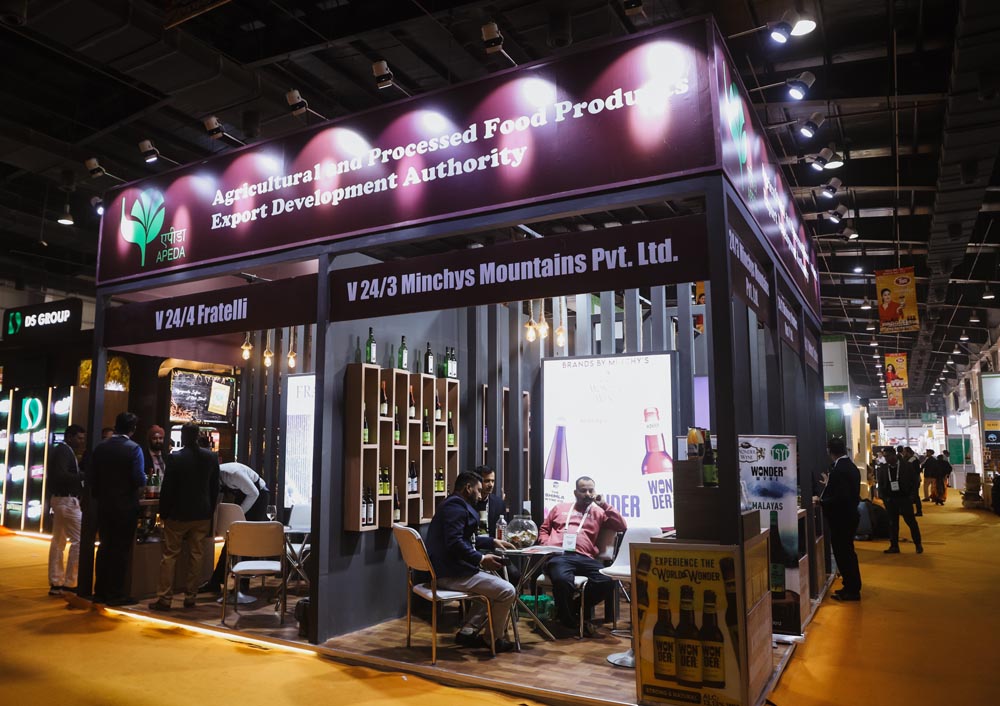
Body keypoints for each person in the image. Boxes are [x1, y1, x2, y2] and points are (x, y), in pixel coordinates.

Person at [425, 470, 516, 653]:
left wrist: (492, 541)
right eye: (478, 490)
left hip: (446, 570)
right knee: (507, 591)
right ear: (468, 488)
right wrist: (481, 558)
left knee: (492, 587)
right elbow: (455, 543)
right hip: (451, 574)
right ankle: (493, 639)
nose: (481, 495)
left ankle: (467, 632)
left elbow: (463, 539)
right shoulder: (456, 508)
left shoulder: (451, 504)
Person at [537, 476, 627, 635]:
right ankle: (569, 621)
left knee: (607, 580)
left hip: (585, 557)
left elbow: (621, 525)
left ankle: (572, 608)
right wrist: (546, 545)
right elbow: (544, 529)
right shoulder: (559, 508)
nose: (588, 494)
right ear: (575, 492)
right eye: (583, 490)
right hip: (559, 556)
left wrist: (604, 504)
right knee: (563, 580)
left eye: (591, 490)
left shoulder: (599, 511)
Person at [149, 423, 220, 611]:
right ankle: (191, 596)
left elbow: (168, 488)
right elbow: (215, 487)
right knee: (197, 554)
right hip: (202, 513)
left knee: (170, 555)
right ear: (197, 436)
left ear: (183, 436)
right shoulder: (210, 457)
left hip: (178, 514)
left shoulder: (176, 458)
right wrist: (210, 510)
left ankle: (165, 598)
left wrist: (163, 512)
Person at [91, 412, 146, 605]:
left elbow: (93, 476)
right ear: (133, 429)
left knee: (104, 547)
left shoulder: (101, 447)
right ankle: (115, 594)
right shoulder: (134, 449)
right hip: (125, 505)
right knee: (120, 550)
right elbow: (139, 478)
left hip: (104, 504)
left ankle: (99, 591)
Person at [200, 461, 269, 594]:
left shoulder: (233, 474)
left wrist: (239, 513)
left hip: (259, 497)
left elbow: (254, 493)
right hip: (244, 495)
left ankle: (243, 584)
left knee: (247, 540)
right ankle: (215, 582)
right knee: (231, 538)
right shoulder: (216, 477)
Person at [820, 437, 862, 601]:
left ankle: (852, 589)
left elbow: (840, 497)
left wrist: (822, 501)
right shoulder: (849, 467)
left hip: (842, 519)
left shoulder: (840, 469)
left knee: (844, 554)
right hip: (848, 517)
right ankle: (850, 586)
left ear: (830, 451)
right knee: (847, 552)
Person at [76, 427, 115, 598]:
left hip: (105, 504)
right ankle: (84, 584)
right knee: (86, 543)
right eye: (105, 438)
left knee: (103, 545)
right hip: (93, 503)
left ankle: (99, 586)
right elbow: (85, 476)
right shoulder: (93, 454)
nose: (107, 442)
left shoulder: (113, 456)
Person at [47, 424, 86, 596]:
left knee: (58, 541)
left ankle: (56, 582)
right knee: (79, 541)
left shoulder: (62, 450)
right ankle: (71, 583)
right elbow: (61, 475)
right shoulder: (64, 451)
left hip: (60, 500)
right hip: (67, 500)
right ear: (69, 437)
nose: (81, 441)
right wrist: (83, 476)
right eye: (79, 438)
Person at [877, 447, 923, 554]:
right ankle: (894, 546)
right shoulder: (883, 468)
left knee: (911, 522)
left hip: (904, 498)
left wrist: (912, 496)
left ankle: (918, 544)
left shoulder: (906, 466)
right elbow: (881, 483)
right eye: (885, 456)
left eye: (888, 456)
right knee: (892, 523)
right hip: (890, 500)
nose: (886, 458)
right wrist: (883, 497)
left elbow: (915, 481)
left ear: (894, 455)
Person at [901, 447, 922, 517]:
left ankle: (919, 511)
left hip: (914, 480)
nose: (903, 453)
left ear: (908, 452)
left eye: (904, 451)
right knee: (912, 496)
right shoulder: (909, 459)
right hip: (911, 480)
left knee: (915, 496)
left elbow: (916, 471)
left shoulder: (913, 459)